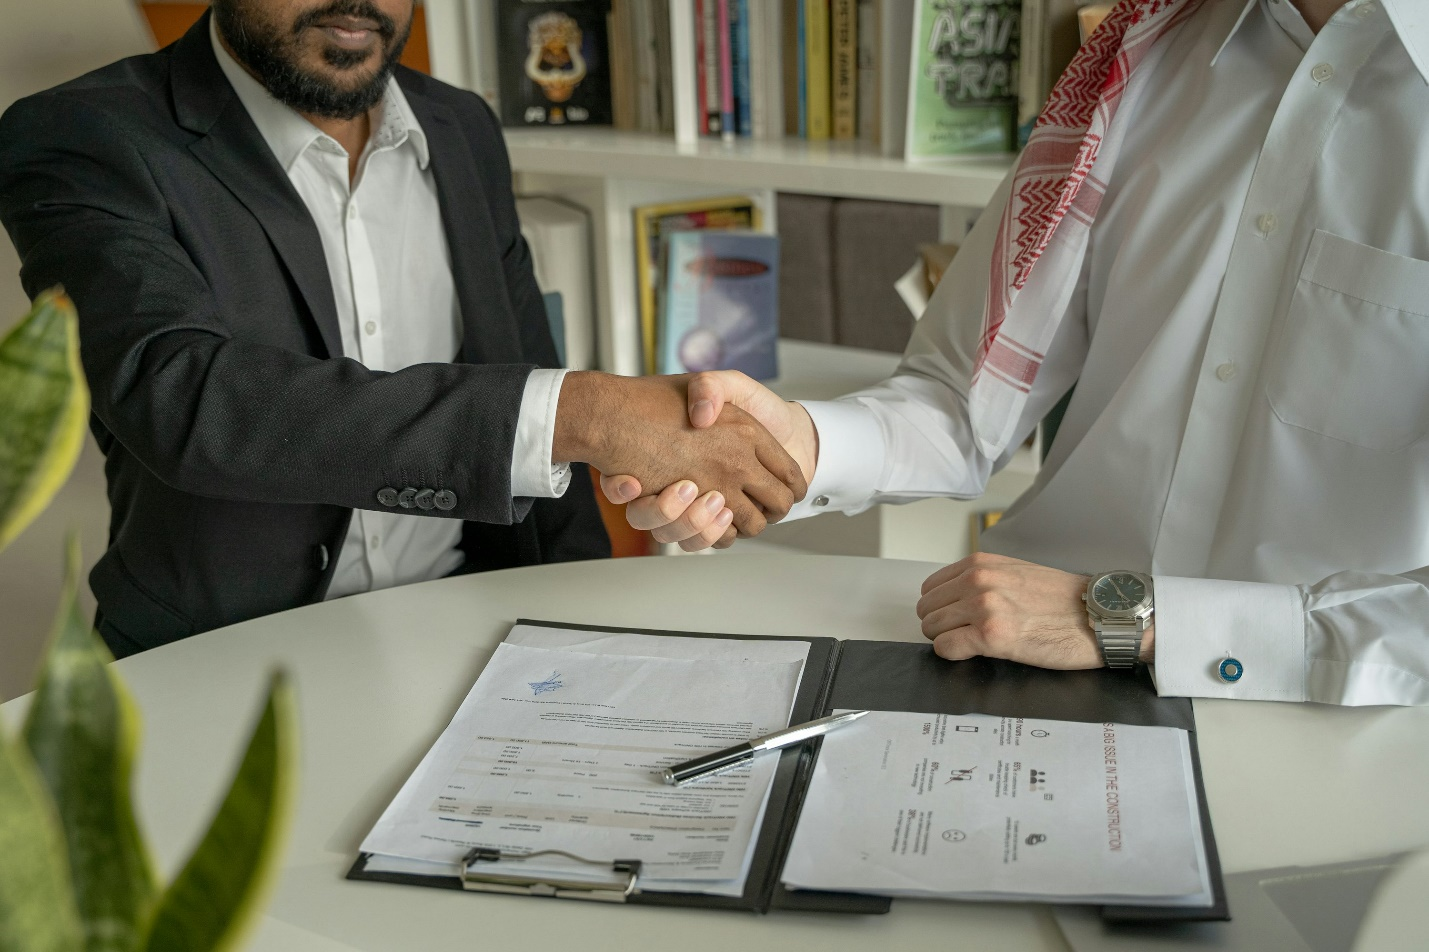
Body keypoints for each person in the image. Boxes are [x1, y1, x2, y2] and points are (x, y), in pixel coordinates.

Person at [609, 0, 1429, 706]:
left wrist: (1133, 622)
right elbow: (961, 402)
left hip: (1332, 725)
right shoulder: (1140, 54)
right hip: (1023, 673)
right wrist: (794, 447)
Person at [0, 0, 805, 657]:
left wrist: (591, 634)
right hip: (216, 661)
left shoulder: (463, 128)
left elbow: (527, 365)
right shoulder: (81, 135)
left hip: (476, 635)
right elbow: (182, 397)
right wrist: (587, 414)